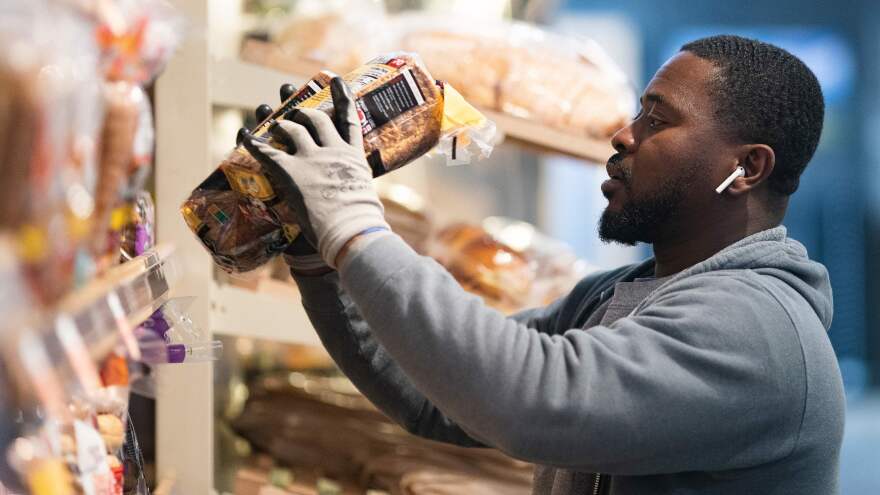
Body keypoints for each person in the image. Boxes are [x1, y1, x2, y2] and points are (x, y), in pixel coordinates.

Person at [240, 34, 844, 495]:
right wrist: (312, 246)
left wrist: (351, 217)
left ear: (748, 169)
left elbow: (532, 399)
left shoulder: (760, 329)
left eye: (657, 121)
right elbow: (437, 395)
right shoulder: (619, 295)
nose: (623, 136)